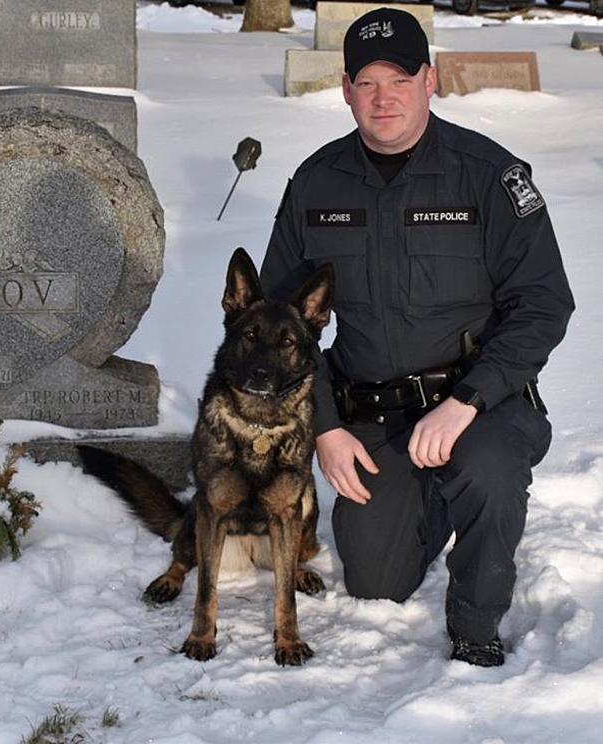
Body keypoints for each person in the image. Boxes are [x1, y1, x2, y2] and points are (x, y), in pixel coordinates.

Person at [259, 8, 574, 667]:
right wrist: (323, 426)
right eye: (366, 82)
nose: (384, 98)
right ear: (345, 89)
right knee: (376, 583)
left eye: (399, 78)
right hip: (371, 410)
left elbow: (544, 304)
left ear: (430, 81)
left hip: (479, 400)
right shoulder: (316, 185)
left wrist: (469, 402)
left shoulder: (488, 175)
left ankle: (476, 626)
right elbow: (274, 323)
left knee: (485, 472)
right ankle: (428, 504)